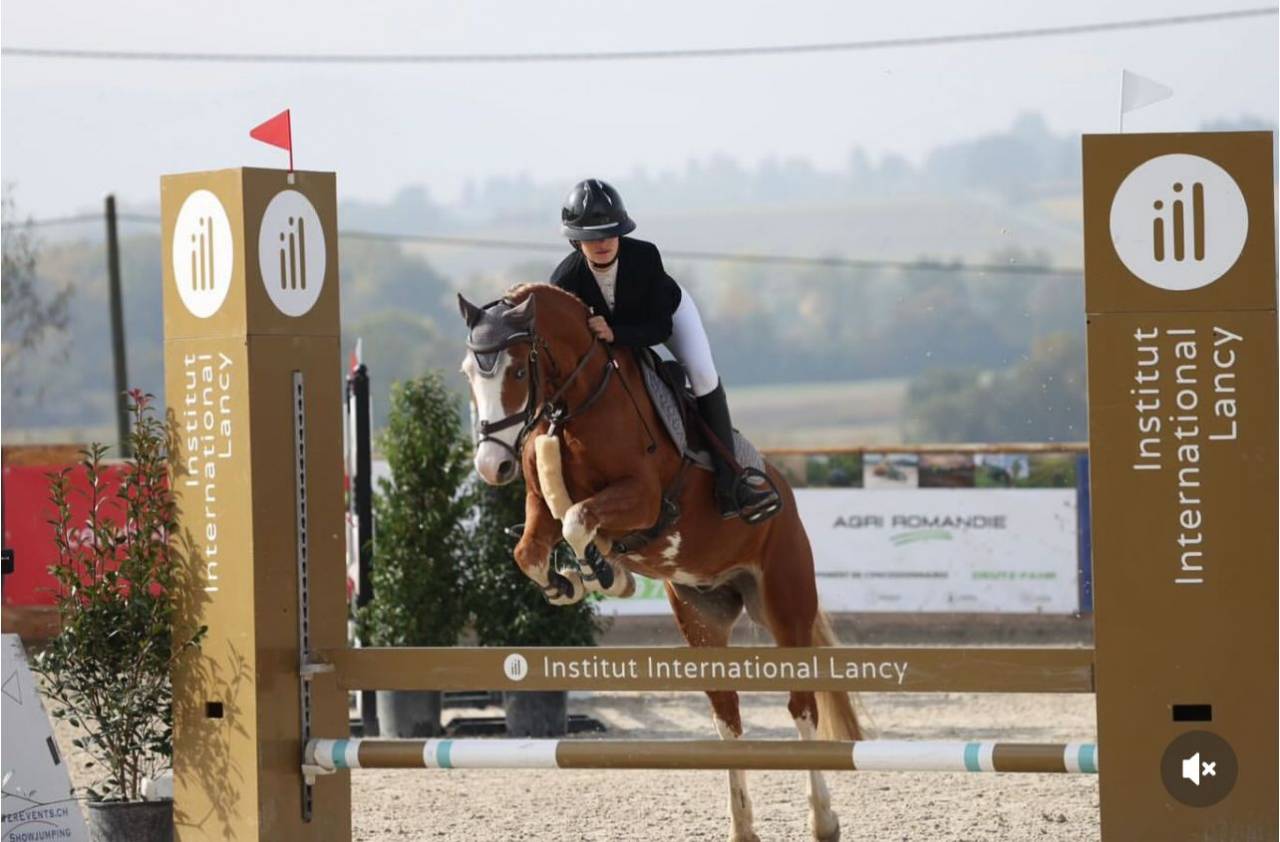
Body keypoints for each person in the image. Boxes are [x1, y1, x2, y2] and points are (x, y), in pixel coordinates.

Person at [549, 179, 780, 523]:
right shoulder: (565, 281)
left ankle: (732, 480)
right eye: (592, 237)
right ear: (575, 240)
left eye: (610, 234)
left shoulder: (644, 257)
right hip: (609, 341)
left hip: (665, 315)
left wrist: (616, 332)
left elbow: (660, 328)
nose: (602, 244)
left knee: (702, 375)